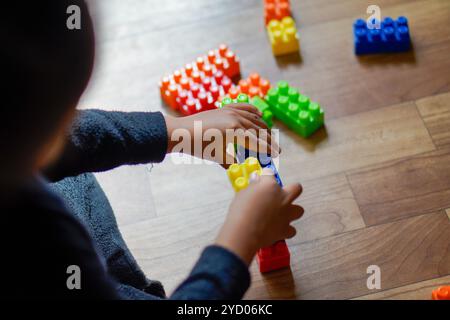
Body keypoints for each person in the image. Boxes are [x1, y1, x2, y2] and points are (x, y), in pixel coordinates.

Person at [0, 1, 303, 299]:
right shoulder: (44, 242)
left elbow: (67, 136)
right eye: (65, 114)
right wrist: (242, 237)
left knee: (69, 174)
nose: (70, 122)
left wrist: (173, 132)